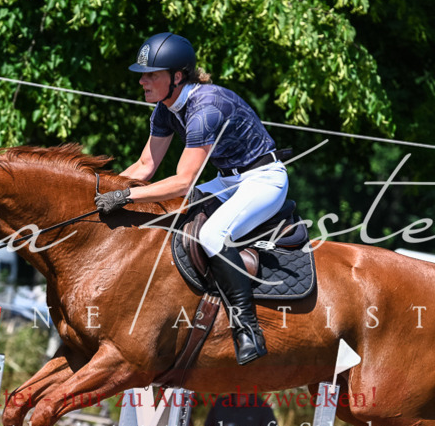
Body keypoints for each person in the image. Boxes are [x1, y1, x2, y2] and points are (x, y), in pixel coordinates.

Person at [95, 32, 291, 365]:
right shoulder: (165, 108)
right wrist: (99, 191)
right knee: (171, 215)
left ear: (176, 77)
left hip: (263, 180)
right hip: (229, 180)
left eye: (150, 74)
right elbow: (145, 166)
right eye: (142, 74)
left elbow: (184, 181)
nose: (142, 81)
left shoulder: (205, 108)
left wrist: (126, 196)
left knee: (212, 234)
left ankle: (247, 329)